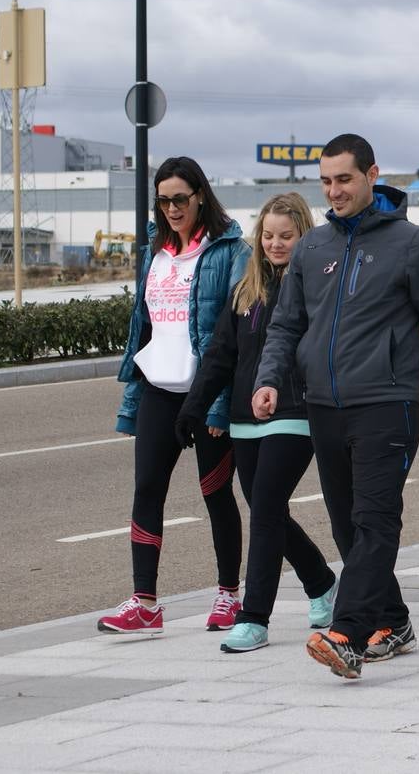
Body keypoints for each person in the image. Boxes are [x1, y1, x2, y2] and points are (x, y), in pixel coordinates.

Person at [251, 133, 419, 679]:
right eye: (325, 182)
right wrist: (270, 378)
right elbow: (286, 325)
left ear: (372, 175)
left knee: (375, 521)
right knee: (348, 528)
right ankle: (393, 622)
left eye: (344, 179)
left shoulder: (414, 245)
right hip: (324, 406)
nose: (334, 191)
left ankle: (347, 633)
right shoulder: (312, 248)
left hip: (387, 404)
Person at [178, 193, 337, 653]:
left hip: (296, 412)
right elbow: (220, 354)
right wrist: (195, 406)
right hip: (246, 418)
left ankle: (255, 618)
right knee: (267, 510)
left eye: (286, 235)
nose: (275, 243)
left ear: (303, 235)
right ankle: (321, 581)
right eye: (267, 235)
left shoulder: (314, 287)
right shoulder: (246, 290)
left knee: (266, 505)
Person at [98, 156, 251, 635]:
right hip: (158, 393)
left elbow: (237, 334)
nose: (170, 209)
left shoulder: (231, 252)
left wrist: (222, 405)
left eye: (179, 199)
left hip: (205, 396)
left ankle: (229, 595)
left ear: (200, 195)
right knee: (146, 492)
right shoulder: (154, 253)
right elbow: (141, 329)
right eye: (163, 201)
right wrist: (133, 394)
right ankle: (145, 603)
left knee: (216, 494)